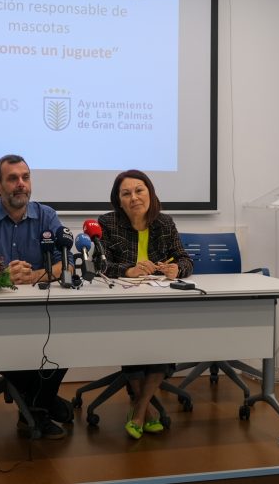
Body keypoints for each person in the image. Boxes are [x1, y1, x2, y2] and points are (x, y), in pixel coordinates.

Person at [0, 154, 72, 439]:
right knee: (10, 347)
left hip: (39, 313)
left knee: (68, 340)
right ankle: (41, 408)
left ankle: (34, 405)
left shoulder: (47, 216)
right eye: (12, 179)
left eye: (25, 177)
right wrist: (1, 276)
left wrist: (35, 276)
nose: (21, 184)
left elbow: (65, 263)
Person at [98, 169, 193, 439]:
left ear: (150, 193)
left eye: (139, 190)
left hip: (161, 302)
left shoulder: (164, 223)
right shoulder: (107, 223)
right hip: (122, 304)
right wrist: (128, 270)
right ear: (118, 200)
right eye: (126, 193)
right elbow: (99, 265)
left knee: (163, 341)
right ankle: (144, 410)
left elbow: (185, 259)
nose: (134, 197)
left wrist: (177, 270)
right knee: (135, 342)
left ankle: (138, 408)